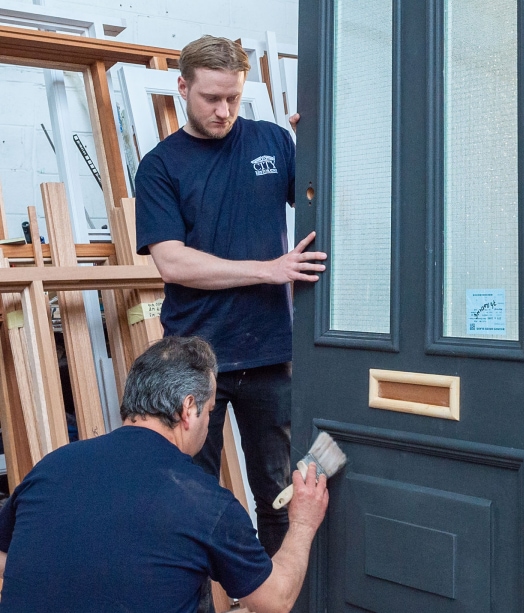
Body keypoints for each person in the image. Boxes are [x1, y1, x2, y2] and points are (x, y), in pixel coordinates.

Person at [135, 34, 327, 560]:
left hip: (270, 353)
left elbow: (321, 196)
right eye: (211, 98)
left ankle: (280, 597)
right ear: (182, 88)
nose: (223, 111)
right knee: (190, 499)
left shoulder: (270, 142)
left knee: (279, 493)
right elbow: (172, 261)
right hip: (196, 361)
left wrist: (319, 142)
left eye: (233, 99)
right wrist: (269, 270)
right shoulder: (160, 166)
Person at [0, 337, 329, 613]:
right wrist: (303, 522)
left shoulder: (52, 466)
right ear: (188, 409)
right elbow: (275, 599)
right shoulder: (204, 502)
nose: (210, 420)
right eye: (211, 410)